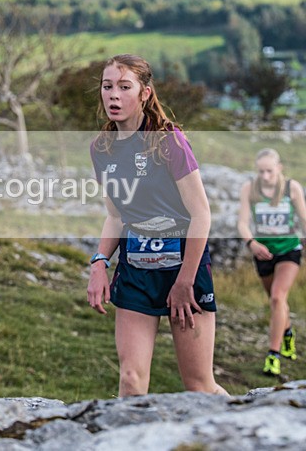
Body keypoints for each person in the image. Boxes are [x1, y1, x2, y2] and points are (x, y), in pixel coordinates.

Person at [87, 54, 227, 397]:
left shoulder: (170, 142)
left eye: (124, 87)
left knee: (199, 386)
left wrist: (185, 282)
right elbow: (116, 215)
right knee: (131, 380)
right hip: (136, 272)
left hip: (185, 270)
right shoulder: (101, 150)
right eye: (108, 87)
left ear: (145, 93)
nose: (114, 96)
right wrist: (99, 262)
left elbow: (201, 215)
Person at [237, 148, 306, 376]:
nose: (265, 176)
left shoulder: (291, 188)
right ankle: (287, 333)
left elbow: (304, 220)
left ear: (279, 168)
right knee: (277, 302)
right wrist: (252, 243)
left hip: (289, 250)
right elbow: (243, 224)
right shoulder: (250, 188)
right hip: (263, 253)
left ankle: (273, 356)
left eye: (269, 171)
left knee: (278, 296)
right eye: (260, 171)